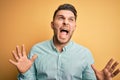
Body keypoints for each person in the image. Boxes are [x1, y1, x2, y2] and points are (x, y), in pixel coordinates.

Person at [9, 3, 120, 80]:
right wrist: (24, 73)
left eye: (71, 19)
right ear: (52, 25)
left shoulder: (85, 54)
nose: (66, 22)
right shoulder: (36, 50)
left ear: (74, 27)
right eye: (61, 18)